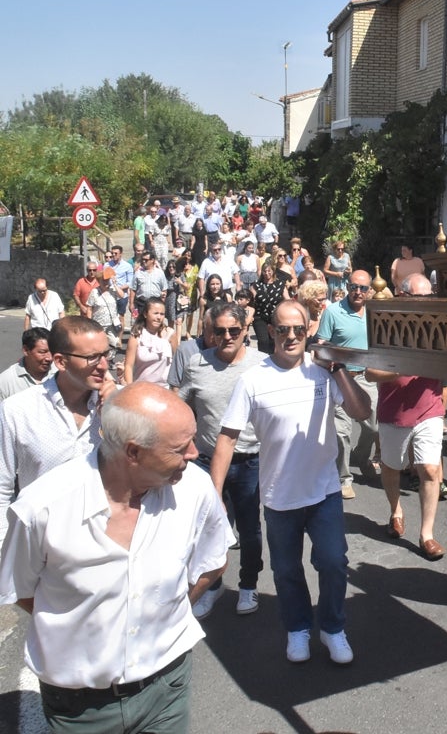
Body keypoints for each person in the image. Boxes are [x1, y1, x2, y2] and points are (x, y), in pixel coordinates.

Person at [0, 383, 233, 734]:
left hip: (166, 687)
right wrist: (83, 620)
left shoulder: (195, 489)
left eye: (192, 439)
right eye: (179, 447)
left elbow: (214, 561)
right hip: (79, 706)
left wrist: (167, 609)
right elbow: (19, 588)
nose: (193, 452)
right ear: (133, 452)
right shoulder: (42, 508)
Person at [212, 300, 372, 665]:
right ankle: (298, 628)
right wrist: (215, 492)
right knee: (286, 571)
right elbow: (227, 437)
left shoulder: (322, 374)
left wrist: (340, 370)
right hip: (279, 496)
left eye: (298, 329)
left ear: (308, 332)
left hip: (324, 491)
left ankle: (332, 628)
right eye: (282, 329)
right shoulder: (253, 380)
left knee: (333, 563)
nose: (290, 336)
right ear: (271, 332)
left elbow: (362, 412)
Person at [177, 302, 265, 621]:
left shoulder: (262, 365)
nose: (227, 336)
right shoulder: (196, 364)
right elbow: (181, 409)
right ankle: (212, 587)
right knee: (207, 529)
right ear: (210, 332)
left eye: (234, 330)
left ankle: (248, 584)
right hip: (204, 459)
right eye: (220, 331)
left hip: (249, 460)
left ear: (245, 331)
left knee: (250, 528)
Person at [0, 317, 113, 543]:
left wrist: (114, 418)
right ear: (60, 362)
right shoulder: (17, 410)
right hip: (38, 547)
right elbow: (2, 489)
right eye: (92, 357)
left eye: (105, 354)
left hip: (103, 542)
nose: (104, 365)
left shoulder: (119, 404)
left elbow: (137, 473)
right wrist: (5, 546)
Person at [369, 273, 447, 560]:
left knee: (429, 469)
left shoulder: (440, 324)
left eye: (429, 296)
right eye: (419, 297)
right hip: (394, 411)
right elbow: (370, 372)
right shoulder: (384, 325)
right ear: (402, 296)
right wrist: (402, 369)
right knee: (392, 466)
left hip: (430, 409)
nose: (425, 302)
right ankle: (395, 510)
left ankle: (427, 534)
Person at [314, 269, 378, 500]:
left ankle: (361, 457)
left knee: (374, 427)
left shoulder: (374, 312)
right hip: (341, 376)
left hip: (367, 377)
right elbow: (322, 342)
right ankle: (344, 477)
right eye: (353, 287)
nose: (358, 292)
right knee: (342, 432)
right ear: (347, 286)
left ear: (369, 289)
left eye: (362, 288)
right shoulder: (333, 311)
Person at [124, 298, 179, 387]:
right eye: (155, 313)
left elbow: (178, 364)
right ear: (145, 314)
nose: (159, 317)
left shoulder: (171, 335)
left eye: (162, 314)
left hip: (165, 389)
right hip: (141, 388)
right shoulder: (136, 336)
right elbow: (128, 366)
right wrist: (129, 389)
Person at [0, 327, 53, 400]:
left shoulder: (62, 373)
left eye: (52, 351)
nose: (49, 358)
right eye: (42, 352)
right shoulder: (5, 381)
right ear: (26, 350)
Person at [251, 261, 288, 354]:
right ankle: (261, 360)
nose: (267, 273)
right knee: (263, 341)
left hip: (275, 317)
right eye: (265, 271)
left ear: (273, 271)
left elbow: (287, 299)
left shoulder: (280, 284)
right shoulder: (256, 284)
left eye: (269, 271)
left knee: (274, 341)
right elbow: (251, 301)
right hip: (260, 316)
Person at [87, 268, 123, 360]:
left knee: (114, 343)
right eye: (104, 281)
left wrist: (115, 284)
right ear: (99, 281)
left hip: (112, 323)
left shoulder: (112, 290)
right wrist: (89, 323)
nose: (106, 283)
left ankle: (110, 360)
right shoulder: (94, 292)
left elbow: (122, 295)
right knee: (99, 344)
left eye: (107, 280)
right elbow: (89, 308)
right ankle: (100, 360)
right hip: (99, 323)